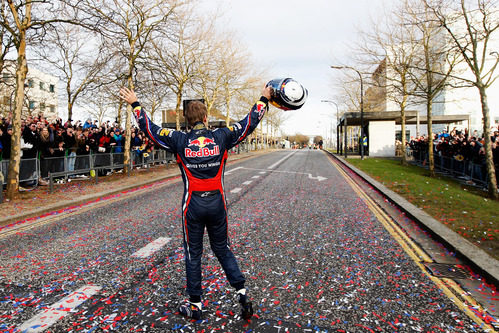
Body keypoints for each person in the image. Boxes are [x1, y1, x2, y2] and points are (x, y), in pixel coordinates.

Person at [120, 84, 272, 321]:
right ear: (205, 117)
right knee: (222, 248)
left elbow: (150, 129)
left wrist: (135, 103)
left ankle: (195, 304)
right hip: (217, 202)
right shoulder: (222, 136)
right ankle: (242, 293)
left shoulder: (178, 139)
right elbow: (248, 123)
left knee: (193, 253)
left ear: (187, 120)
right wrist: (264, 98)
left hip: (192, 204)